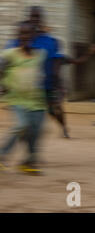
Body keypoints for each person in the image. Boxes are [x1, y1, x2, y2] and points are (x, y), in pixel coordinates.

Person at [5, 7, 95, 138]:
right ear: (29, 18)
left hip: (49, 84)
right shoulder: (21, 40)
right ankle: (29, 134)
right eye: (33, 17)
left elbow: (75, 61)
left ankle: (63, 127)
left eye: (38, 17)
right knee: (28, 111)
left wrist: (89, 53)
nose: (35, 20)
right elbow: (8, 58)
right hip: (30, 85)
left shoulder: (49, 41)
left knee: (55, 111)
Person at [0, 21, 47, 175]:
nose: (25, 36)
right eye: (22, 33)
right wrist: (3, 85)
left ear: (34, 36)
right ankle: (2, 155)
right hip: (17, 99)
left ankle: (29, 162)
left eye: (28, 33)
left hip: (37, 101)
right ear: (18, 35)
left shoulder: (40, 55)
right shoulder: (10, 54)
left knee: (35, 132)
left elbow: (44, 75)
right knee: (21, 125)